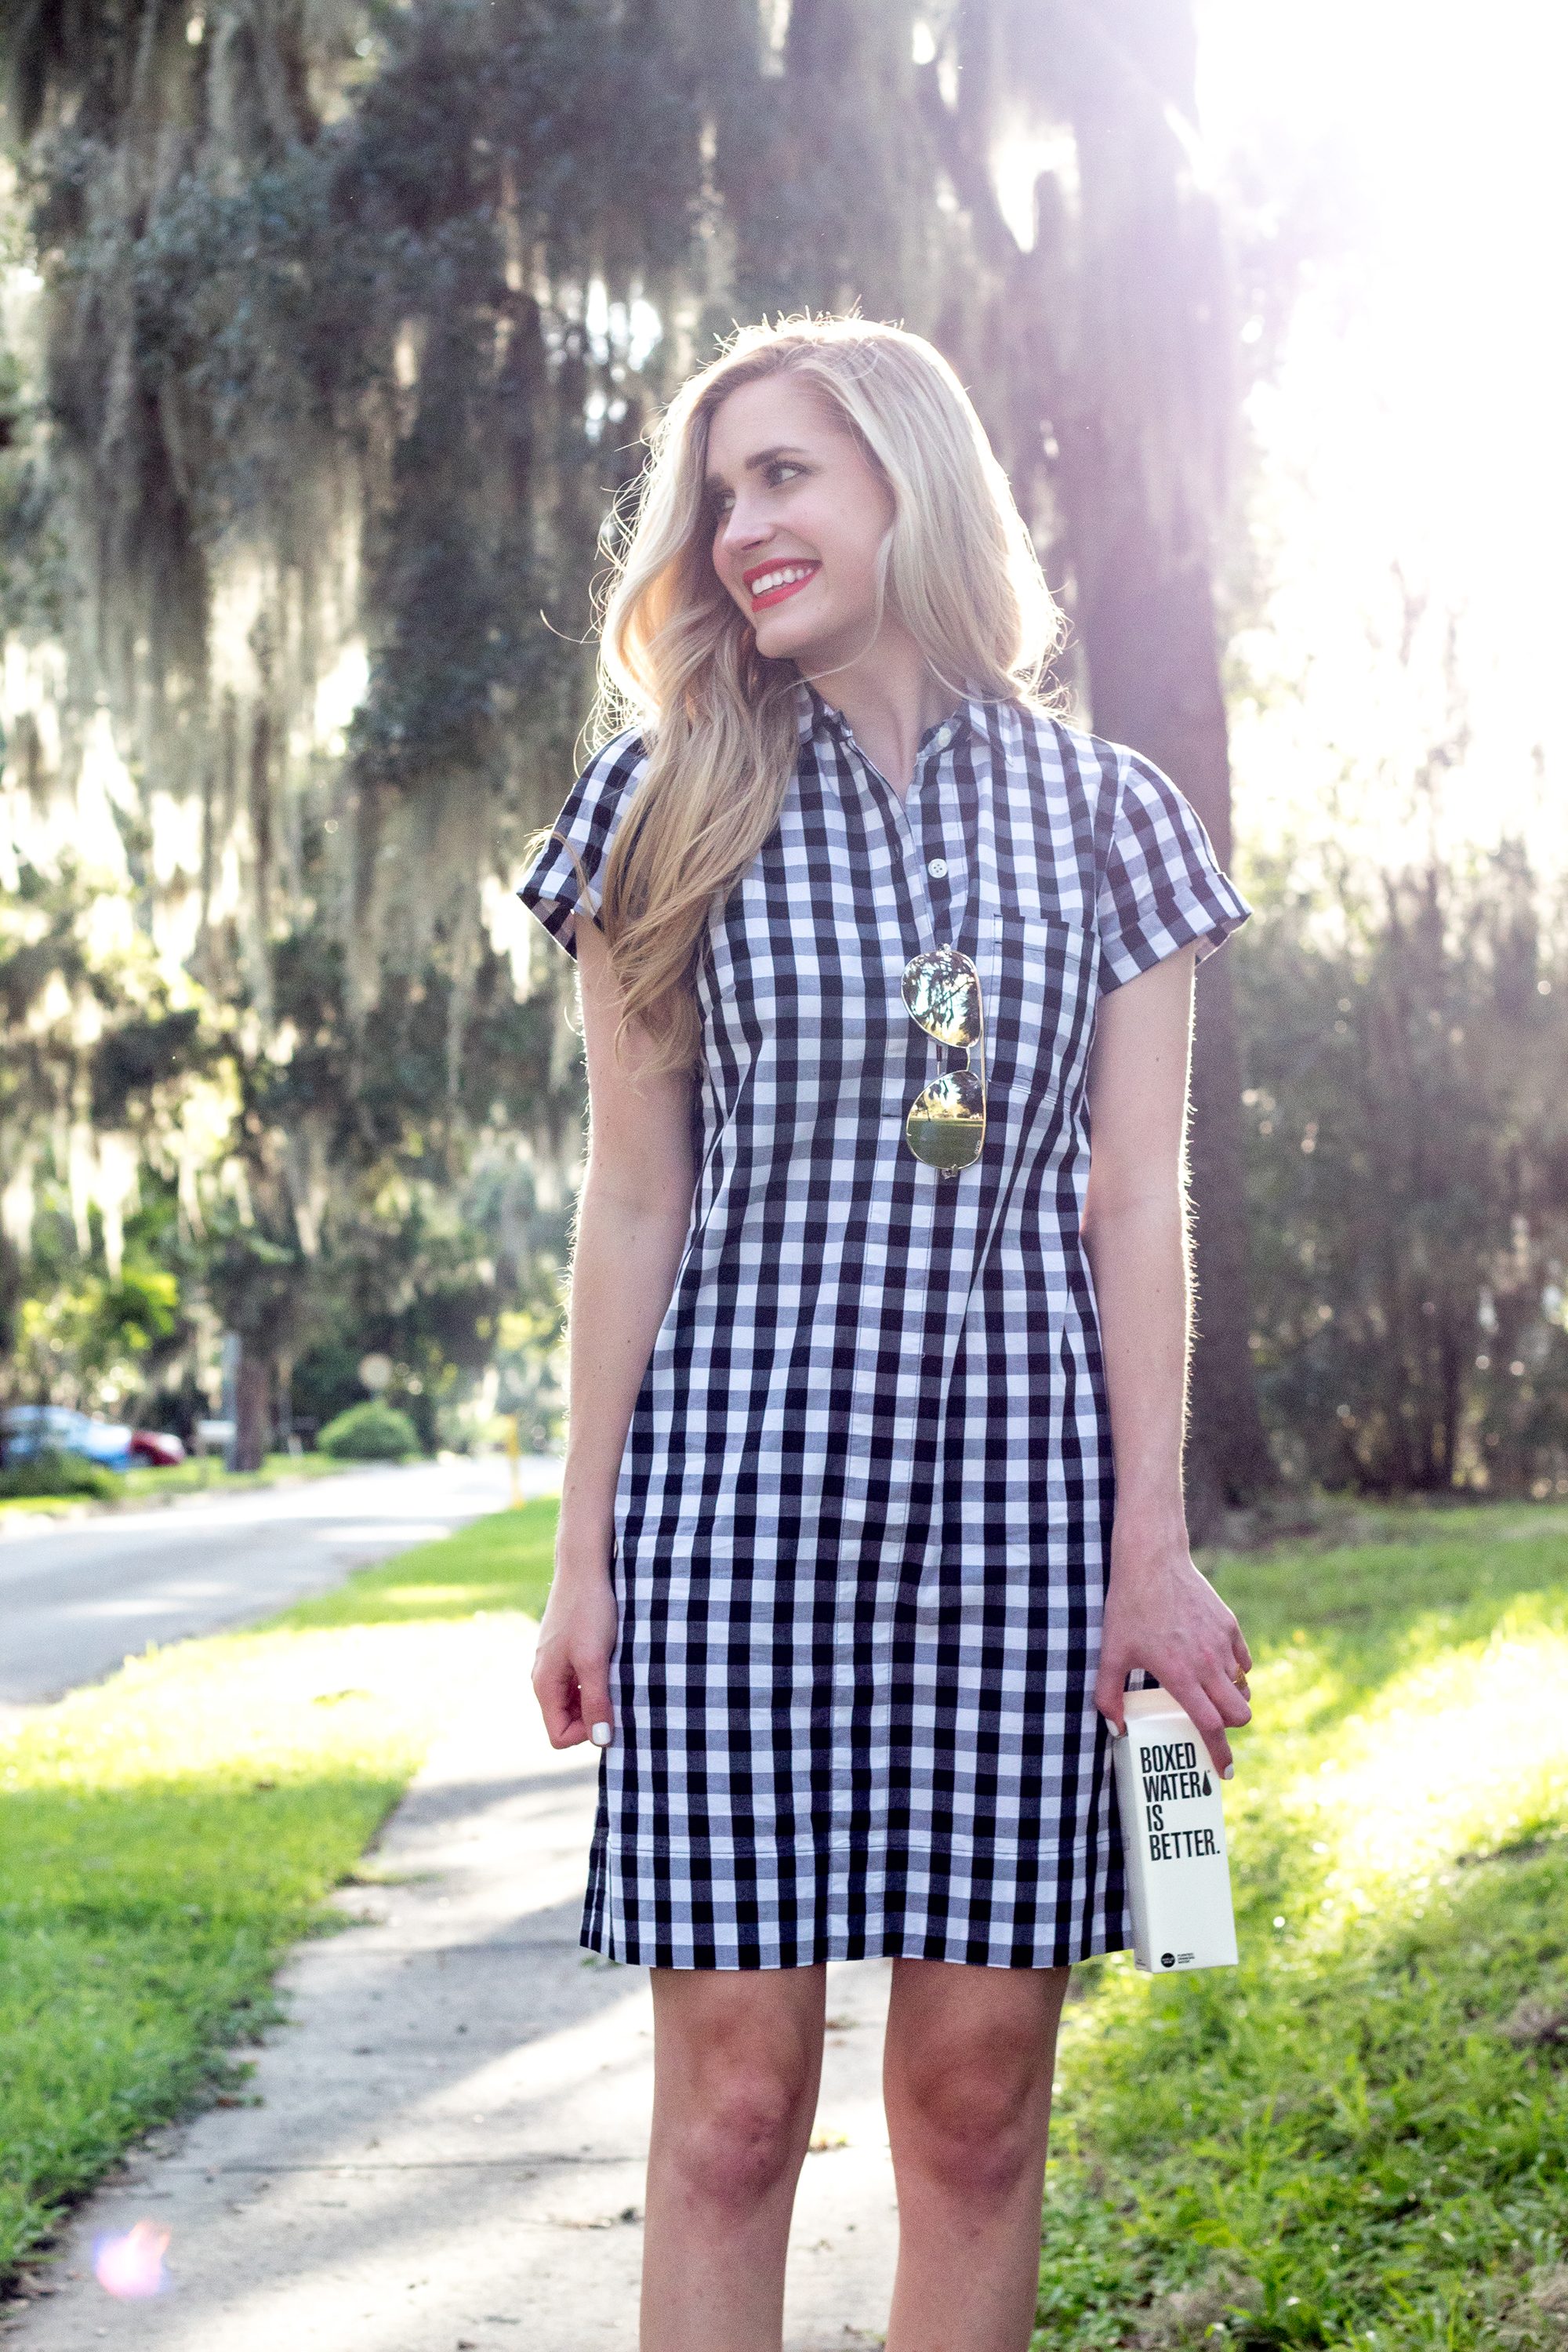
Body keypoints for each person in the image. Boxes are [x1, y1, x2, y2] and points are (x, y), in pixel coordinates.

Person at [514, 314, 1254, 2352]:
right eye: (718, 491)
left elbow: (1131, 1203)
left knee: (975, 2108)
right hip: (735, 1520)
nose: (740, 527)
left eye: (784, 475)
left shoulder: (1107, 819)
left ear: (909, 482)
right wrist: (580, 1550)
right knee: (737, 2117)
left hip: (1023, 1527)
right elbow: (633, 1194)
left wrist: (1155, 1545)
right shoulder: (664, 805)